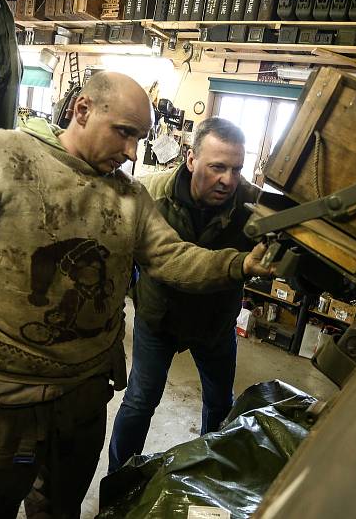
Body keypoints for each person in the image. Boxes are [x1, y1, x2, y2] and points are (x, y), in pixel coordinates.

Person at [0, 72, 271, 519]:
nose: (130, 152)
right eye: (124, 133)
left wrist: (238, 265)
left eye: (138, 138)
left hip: (84, 398)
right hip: (2, 399)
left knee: (60, 508)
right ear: (82, 110)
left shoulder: (130, 197)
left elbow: (172, 257)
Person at [107, 117, 260, 472]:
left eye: (236, 169)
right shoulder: (151, 195)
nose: (228, 180)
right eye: (217, 167)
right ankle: (119, 482)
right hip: (159, 319)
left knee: (221, 404)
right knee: (140, 402)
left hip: (216, 322)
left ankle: (210, 474)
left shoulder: (251, 203)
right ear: (191, 159)